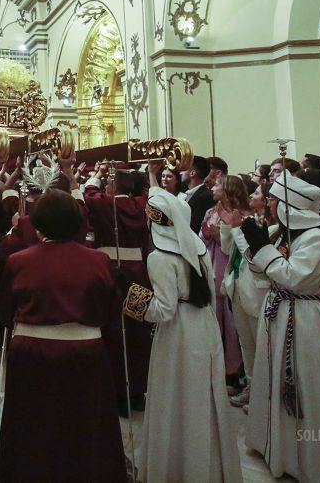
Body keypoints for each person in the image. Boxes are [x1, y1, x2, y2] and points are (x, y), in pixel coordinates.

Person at [239, 172, 320, 482]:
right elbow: (264, 273)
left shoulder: (312, 237)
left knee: (303, 381)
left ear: (288, 206)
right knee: (274, 378)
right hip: (280, 310)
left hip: (303, 316)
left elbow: (294, 276)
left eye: (274, 200)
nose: (269, 204)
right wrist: (255, 244)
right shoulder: (283, 234)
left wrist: (264, 250)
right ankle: (277, 447)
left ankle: (312, 457)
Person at [0, 188, 126, 482]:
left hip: (32, 354)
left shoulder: (19, 261)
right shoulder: (99, 261)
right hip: (85, 354)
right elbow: (110, 313)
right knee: (84, 428)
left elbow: (5, 311)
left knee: (32, 428)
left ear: (39, 224)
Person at [120, 175, 241, 483]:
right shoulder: (197, 246)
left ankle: (174, 468)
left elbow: (163, 309)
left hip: (177, 334)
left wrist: (130, 297)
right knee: (203, 398)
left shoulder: (160, 257)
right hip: (203, 326)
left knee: (175, 398)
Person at [82, 165, 151, 415]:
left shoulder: (105, 204)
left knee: (113, 330)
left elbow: (88, 191)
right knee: (138, 330)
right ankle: (138, 390)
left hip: (111, 271)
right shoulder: (142, 203)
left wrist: (98, 174)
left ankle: (116, 391)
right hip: (139, 273)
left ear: (112, 187)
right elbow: (146, 190)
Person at [217, 178, 269, 411]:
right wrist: (227, 226)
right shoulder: (240, 220)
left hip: (256, 289)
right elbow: (228, 250)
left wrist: (237, 227)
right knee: (246, 342)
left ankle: (264, 394)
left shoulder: (260, 223)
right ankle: (251, 387)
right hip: (237, 284)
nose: (252, 196)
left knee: (260, 343)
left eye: (257, 193)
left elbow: (252, 254)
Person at [200, 175, 244, 393]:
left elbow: (240, 244)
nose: (213, 187)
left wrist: (220, 235)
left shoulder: (240, 215)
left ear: (227, 189)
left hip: (230, 270)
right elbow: (202, 237)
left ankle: (233, 372)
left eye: (218, 185)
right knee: (214, 323)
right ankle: (215, 368)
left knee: (233, 326)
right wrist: (208, 236)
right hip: (212, 266)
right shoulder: (211, 211)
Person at [180, 155, 216, 234]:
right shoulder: (187, 193)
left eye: (184, 170)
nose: (180, 173)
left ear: (192, 173)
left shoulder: (205, 196)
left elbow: (194, 226)